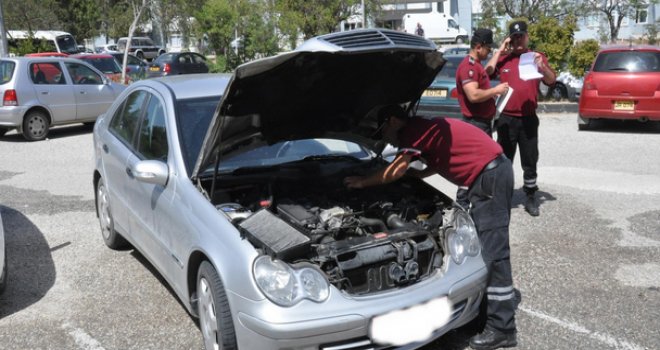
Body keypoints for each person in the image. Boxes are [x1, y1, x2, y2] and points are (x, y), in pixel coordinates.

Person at [344, 106, 517, 350]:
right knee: (486, 249)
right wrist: (423, 173)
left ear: (393, 121)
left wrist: (362, 182)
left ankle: (502, 329)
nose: (383, 138)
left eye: (383, 131)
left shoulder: (412, 132)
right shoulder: (424, 129)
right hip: (488, 176)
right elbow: (441, 155)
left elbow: (396, 170)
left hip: (489, 178)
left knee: (494, 254)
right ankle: (482, 315)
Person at [485, 20, 556, 217]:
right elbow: (488, 71)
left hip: (528, 119)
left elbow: (551, 80)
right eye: (514, 37)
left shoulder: (536, 57)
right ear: (510, 39)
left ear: (527, 37)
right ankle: (502, 196)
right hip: (507, 119)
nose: (518, 40)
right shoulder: (504, 59)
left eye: (521, 36)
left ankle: (531, 196)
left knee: (530, 158)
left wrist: (542, 67)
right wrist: (500, 49)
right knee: (504, 160)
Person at [454, 28, 510, 209]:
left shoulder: (477, 65)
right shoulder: (468, 67)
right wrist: (496, 90)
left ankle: (475, 197)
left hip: (482, 123)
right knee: (473, 164)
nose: (488, 52)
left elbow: (489, 69)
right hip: (476, 124)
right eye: (487, 49)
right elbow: (473, 95)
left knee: (479, 163)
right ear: (478, 47)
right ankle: (462, 203)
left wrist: (500, 51)